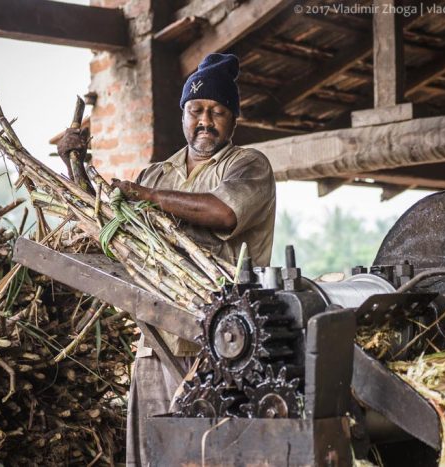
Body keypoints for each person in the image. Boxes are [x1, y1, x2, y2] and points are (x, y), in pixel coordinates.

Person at [58, 53, 276, 466]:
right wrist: (77, 170)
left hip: (221, 343)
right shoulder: (155, 174)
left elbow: (223, 212)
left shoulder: (248, 166)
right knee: (150, 456)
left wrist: (152, 200)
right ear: (183, 114)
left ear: (233, 119)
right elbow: (105, 225)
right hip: (154, 341)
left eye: (217, 111)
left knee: (208, 456)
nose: (205, 121)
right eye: (196, 110)